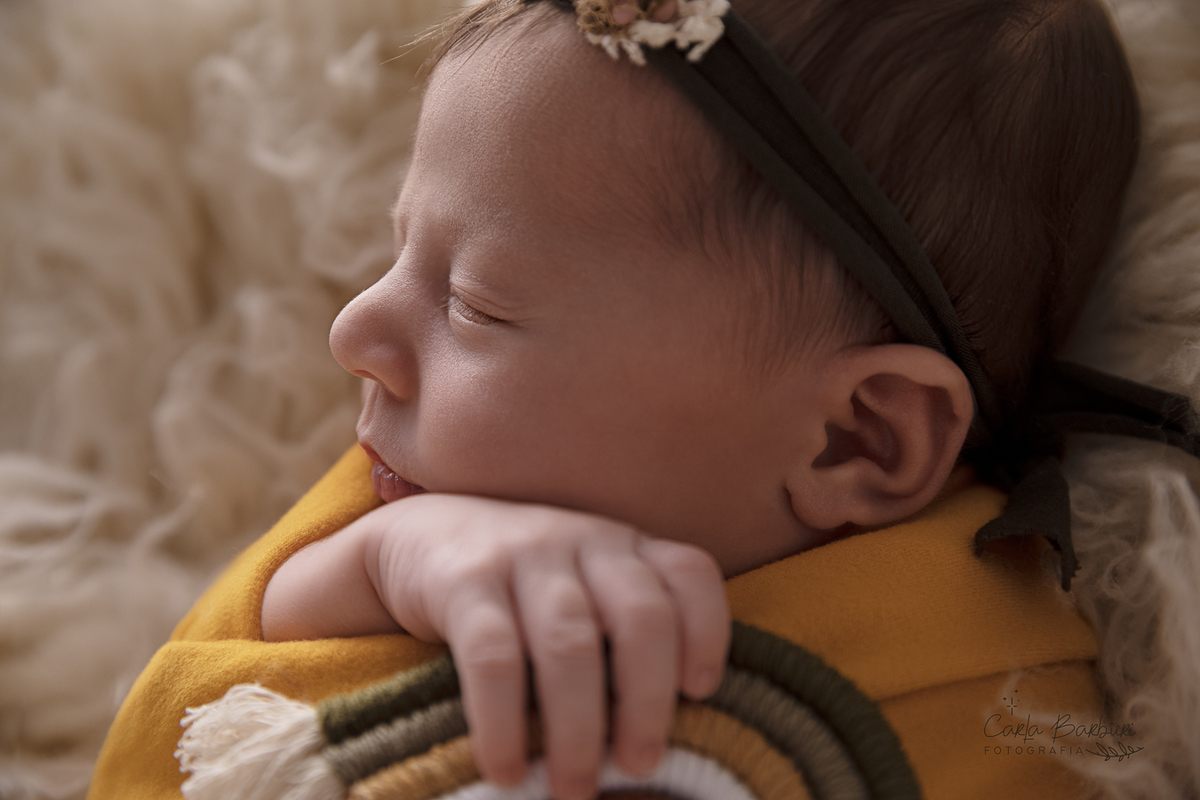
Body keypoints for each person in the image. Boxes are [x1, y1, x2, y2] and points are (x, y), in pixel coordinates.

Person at [88, 0, 1161, 798]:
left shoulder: (974, 702)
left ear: (859, 438)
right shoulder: (446, 487)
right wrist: (377, 563)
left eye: (476, 302)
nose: (353, 333)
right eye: (398, 247)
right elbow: (201, 725)